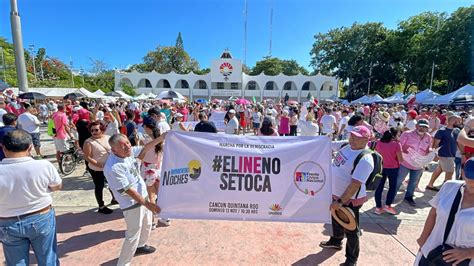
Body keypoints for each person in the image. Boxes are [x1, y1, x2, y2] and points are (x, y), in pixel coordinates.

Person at [0, 130, 62, 265]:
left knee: (15, 262)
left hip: (7, 222)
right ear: (30, 147)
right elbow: (57, 186)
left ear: (3, 147)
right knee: (48, 259)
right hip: (40, 217)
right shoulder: (43, 165)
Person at [103, 133, 165, 265]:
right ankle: (123, 263)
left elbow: (145, 148)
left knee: (147, 224)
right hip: (131, 203)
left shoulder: (128, 152)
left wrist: (161, 138)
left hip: (143, 197)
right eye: (123, 146)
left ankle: (141, 245)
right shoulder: (113, 167)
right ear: (114, 150)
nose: (127, 146)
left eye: (127, 143)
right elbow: (128, 190)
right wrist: (147, 203)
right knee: (133, 234)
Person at [320, 126, 374, 266]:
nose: (353, 139)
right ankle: (336, 241)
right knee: (335, 217)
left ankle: (351, 260)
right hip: (335, 194)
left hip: (349, 199)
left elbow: (355, 185)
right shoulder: (346, 145)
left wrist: (340, 201)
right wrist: (323, 138)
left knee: (351, 230)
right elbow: (328, 144)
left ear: (366, 139)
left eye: (357, 137)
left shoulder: (365, 159)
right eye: (352, 135)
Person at [415, 158, 474, 265]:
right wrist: (423, 240)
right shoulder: (450, 186)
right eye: (470, 177)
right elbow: (433, 213)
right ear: (462, 172)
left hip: (462, 262)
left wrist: (469, 253)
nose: (472, 182)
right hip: (431, 254)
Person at [140, 116, 170, 227]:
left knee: (151, 196)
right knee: (160, 196)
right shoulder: (162, 140)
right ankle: (165, 217)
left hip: (149, 170)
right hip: (159, 169)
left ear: (147, 127)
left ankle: (152, 221)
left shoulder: (146, 140)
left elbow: (141, 154)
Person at [395, 119, 432, 206]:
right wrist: (405, 149)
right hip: (405, 162)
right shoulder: (407, 134)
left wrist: (431, 151)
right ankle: (391, 195)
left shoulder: (428, 137)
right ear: (416, 126)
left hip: (418, 164)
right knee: (399, 180)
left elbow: (428, 148)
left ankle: (408, 197)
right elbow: (399, 146)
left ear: (427, 128)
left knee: (413, 182)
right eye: (420, 126)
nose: (422, 128)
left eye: (425, 127)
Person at [83, 121, 117, 214]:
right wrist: (100, 165)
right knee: (99, 186)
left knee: (112, 184)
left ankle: (114, 199)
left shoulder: (108, 138)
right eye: (92, 130)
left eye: (96, 130)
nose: (94, 132)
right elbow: (87, 157)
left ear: (102, 129)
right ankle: (101, 206)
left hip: (109, 167)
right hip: (96, 169)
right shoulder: (88, 142)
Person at [426, 115, 462, 191]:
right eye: (456, 121)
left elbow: (458, 142)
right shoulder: (442, 131)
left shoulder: (457, 130)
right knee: (450, 173)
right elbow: (435, 144)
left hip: (451, 155)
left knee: (439, 170)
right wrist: (435, 154)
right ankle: (446, 191)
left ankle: (430, 185)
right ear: (450, 121)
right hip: (444, 155)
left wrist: (463, 152)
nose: (458, 122)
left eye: (459, 121)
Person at [374, 128, 403, 215]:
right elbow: (400, 159)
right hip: (393, 168)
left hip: (381, 167)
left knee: (379, 188)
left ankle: (378, 208)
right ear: (394, 135)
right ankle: (388, 206)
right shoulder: (397, 144)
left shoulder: (378, 142)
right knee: (392, 187)